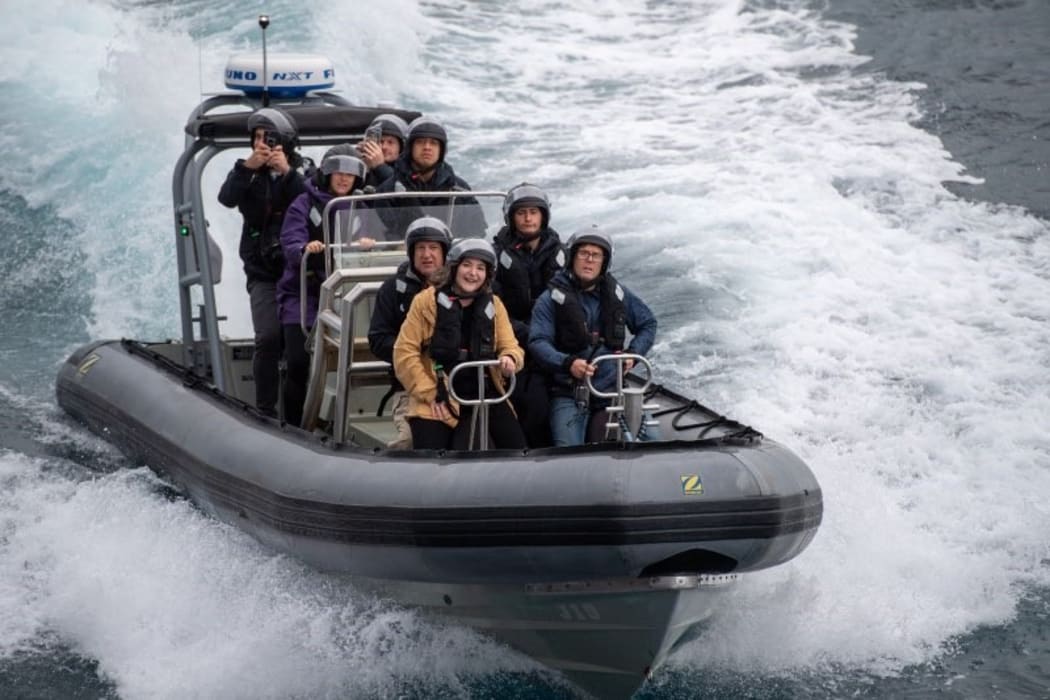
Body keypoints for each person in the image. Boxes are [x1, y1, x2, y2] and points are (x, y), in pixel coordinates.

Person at [528, 228, 658, 447]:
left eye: (596, 255)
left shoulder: (619, 294)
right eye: (584, 254)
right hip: (569, 392)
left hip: (612, 387)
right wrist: (568, 363)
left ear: (604, 262)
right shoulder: (550, 299)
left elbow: (648, 323)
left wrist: (632, 355)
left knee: (653, 441)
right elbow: (538, 341)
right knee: (568, 448)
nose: (589, 260)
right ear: (572, 258)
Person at [393, 239, 526, 451]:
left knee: (517, 448)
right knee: (432, 455)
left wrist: (510, 358)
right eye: (467, 265)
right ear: (454, 267)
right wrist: (430, 395)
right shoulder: (425, 302)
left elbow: (511, 346)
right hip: (437, 393)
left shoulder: (494, 304)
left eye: (480, 268)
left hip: (484, 391)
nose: (473, 273)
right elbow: (404, 353)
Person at [217, 107, 306, 417]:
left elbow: (315, 202)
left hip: (301, 274)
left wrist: (288, 174)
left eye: (268, 138)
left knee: (298, 344)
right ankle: (265, 411)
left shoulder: (303, 171)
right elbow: (226, 198)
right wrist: (246, 169)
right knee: (268, 337)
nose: (262, 144)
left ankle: (300, 414)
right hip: (263, 271)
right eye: (256, 138)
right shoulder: (245, 172)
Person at [277, 152, 368, 427]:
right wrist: (305, 248)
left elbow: (382, 237)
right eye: (338, 172)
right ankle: (291, 424)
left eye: (350, 173)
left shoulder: (360, 206)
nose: (343, 178)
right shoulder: (303, 204)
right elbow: (291, 240)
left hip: (346, 295)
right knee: (298, 362)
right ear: (326, 174)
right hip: (303, 295)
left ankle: (336, 420)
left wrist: (369, 243)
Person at [367, 216, 452, 449]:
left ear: (445, 253)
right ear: (411, 252)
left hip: (457, 384)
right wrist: (419, 350)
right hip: (410, 387)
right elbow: (378, 339)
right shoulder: (392, 290)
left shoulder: (461, 287)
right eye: (420, 248)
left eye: (434, 248)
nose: (427, 255)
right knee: (409, 442)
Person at [491, 183, 565, 447]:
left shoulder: (562, 255)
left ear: (543, 216)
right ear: (511, 217)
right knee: (527, 402)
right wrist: (523, 334)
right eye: (521, 212)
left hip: (552, 343)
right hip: (511, 343)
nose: (528, 218)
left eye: (534, 212)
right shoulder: (495, 257)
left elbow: (565, 305)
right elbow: (492, 304)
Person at [375, 116, 484, 238]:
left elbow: (476, 234)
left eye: (434, 143)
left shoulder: (460, 190)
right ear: (410, 147)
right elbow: (379, 235)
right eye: (420, 142)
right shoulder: (387, 191)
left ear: (442, 150)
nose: (427, 147)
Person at [356, 113, 410, 190]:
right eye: (381, 141)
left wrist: (380, 167)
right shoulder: (362, 163)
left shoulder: (411, 168)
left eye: (390, 142)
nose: (384, 147)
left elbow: (404, 189)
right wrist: (360, 165)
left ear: (401, 147)